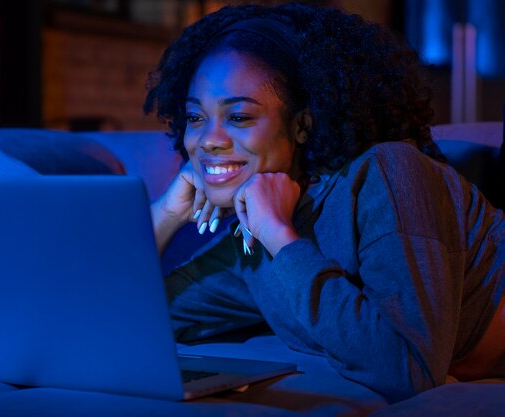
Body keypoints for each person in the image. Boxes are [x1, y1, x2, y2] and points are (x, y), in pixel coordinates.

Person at [143, 2, 505, 403]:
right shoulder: (251, 240)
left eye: (239, 117)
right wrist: (165, 215)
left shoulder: (389, 174)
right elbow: (130, 319)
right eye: (195, 118)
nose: (208, 140)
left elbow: (408, 371)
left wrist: (281, 238)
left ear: (301, 125)